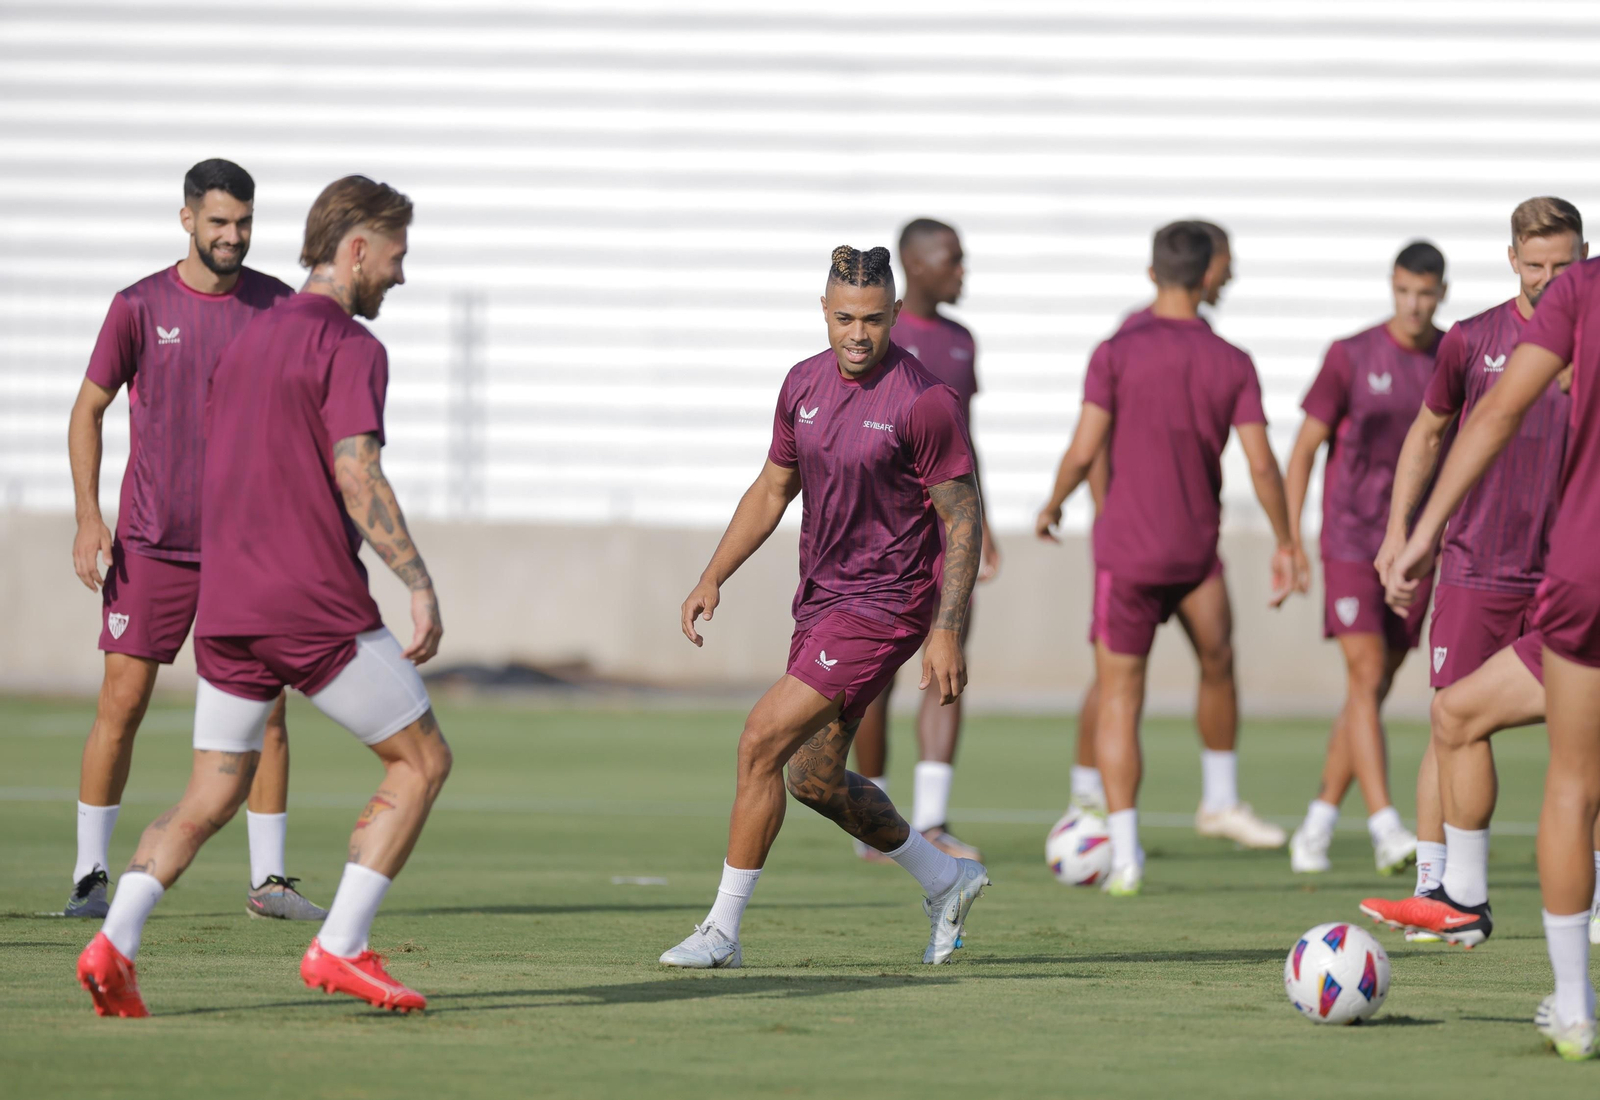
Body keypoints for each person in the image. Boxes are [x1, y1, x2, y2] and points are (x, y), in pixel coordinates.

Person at [76, 176, 451, 1018]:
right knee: (423, 761)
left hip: (230, 608)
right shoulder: (350, 348)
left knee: (211, 793)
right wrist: (417, 584)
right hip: (309, 605)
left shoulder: (248, 338)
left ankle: (113, 942)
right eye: (396, 258)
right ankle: (340, 948)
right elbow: (358, 473)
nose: (400, 276)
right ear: (356, 250)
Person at [661, 245, 988, 970]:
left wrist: (946, 630)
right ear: (824, 311)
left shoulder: (923, 399)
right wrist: (713, 574)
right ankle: (947, 878)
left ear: (896, 315)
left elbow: (963, 518)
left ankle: (721, 932)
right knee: (810, 777)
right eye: (845, 318)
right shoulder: (801, 384)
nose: (858, 334)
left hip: (886, 606)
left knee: (758, 741)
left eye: (873, 320)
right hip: (821, 602)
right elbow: (773, 490)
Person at [63, 159, 324, 922]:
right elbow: (88, 411)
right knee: (123, 702)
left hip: (248, 553)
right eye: (217, 223)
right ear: (186, 220)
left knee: (267, 711)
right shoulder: (138, 307)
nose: (232, 236)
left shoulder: (278, 306)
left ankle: (269, 883)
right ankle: (89, 876)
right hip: (149, 544)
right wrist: (88, 516)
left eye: (243, 223)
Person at [1384, 238, 1600, 1061]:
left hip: (1582, 568)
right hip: (1522, 572)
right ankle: (1454, 893)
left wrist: (1416, 535)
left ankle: (1570, 1003)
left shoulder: (1582, 292)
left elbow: (1502, 409)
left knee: (1569, 783)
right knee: (1456, 711)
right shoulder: (1476, 332)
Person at [1035, 221, 1297, 897]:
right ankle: (1214, 797)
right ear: (1208, 274)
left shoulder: (1115, 351)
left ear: (1154, 274)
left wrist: (1054, 502)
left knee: (1123, 696)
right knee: (1218, 658)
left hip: (1128, 555)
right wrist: (1288, 538)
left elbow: (1083, 445)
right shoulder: (1233, 361)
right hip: (1194, 553)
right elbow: (1263, 465)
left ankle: (1128, 856)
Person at [1282, 242, 1447, 877]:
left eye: (1426, 293)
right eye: (1404, 290)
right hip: (1350, 541)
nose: (1414, 304)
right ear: (1392, 287)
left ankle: (1319, 822)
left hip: (1415, 547)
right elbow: (1303, 451)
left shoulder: (1447, 356)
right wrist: (1292, 537)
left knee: (1370, 691)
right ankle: (1385, 826)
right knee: (1364, 671)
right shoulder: (1350, 356)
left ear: (1440, 293)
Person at [850, 218, 1000, 864]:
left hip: (947, 534)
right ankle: (874, 817)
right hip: (882, 533)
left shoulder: (963, 342)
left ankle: (932, 821)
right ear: (917, 265)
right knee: (876, 674)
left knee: (946, 664)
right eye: (952, 260)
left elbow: (961, 442)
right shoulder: (879, 332)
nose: (962, 271)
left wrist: (982, 522)